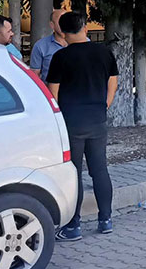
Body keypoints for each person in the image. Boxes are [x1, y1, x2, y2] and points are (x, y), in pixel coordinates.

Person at [45, 12, 119, 241]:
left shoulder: (61, 57)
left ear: (63, 33)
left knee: (73, 173)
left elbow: (52, 92)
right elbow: (112, 85)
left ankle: (73, 225)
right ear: (85, 28)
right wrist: (102, 106)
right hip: (97, 119)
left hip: (71, 123)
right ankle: (105, 219)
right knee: (99, 170)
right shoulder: (104, 53)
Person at [29, 9, 69, 82]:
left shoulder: (83, 42)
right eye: (61, 21)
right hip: (50, 91)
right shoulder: (40, 46)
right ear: (52, 25)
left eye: (67, 20)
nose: (65, 24)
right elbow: (35, 75)